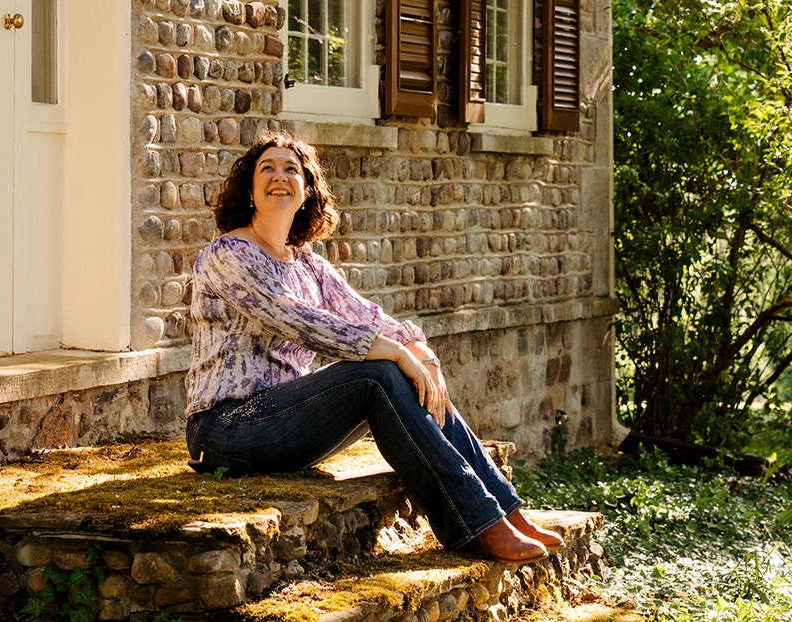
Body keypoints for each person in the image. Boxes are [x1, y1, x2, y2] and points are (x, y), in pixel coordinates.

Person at [183, 131, 564, 564]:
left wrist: (422, 353)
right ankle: (476, 525)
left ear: (307, 191)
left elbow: (364, 314)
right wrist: (397, 354)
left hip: (284, 420)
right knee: (378, 372)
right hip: (225, 429)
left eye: (292, 168)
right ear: (249, 189)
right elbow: (301, 322)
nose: (279, 176)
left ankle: (505, 512)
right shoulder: (228, 255)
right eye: (266, 168)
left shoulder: (306, 262)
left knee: (399, 370)